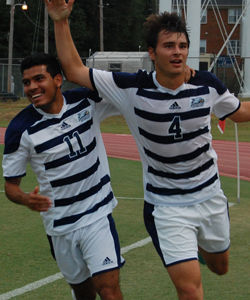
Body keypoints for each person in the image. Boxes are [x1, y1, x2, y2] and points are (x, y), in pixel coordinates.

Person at [45, 1, 250, 299]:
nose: (177, 51)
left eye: (182, 45)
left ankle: (202, 250)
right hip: (166, 207)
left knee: (220, 266)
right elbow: (75, 70)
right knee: (190, 290)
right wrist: (61, 21)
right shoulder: (131, 88)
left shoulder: (207, 84)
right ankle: (187, 250)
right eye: (168, 46)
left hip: (210, 196)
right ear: (152, 53)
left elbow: (238, 112)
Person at [2, 52, 125, 300]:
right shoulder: (19, 129)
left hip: (97, 215)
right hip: (60, 227)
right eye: (27, 83)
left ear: (58, 79)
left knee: (109, 289)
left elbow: (124, 94)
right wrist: (26, 199)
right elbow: (10, 187)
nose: (32, 87)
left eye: (39, 79)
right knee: (84, 294)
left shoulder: (85, 101)